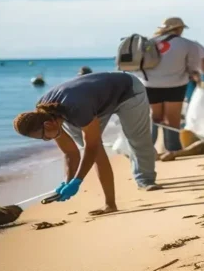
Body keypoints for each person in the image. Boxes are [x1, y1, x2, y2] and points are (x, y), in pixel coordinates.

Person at [12, 72, 159, 216]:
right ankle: (110, 204)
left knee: (137, 138)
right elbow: (70, 153)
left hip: (128, 90)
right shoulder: (45, 113)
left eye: (44, 137)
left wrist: (77, 180)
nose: (47, 140)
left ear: (49, 125)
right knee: (97, 154)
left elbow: (91, 148)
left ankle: (145, 179)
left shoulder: (77, 109)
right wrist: (67, 181)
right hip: (95, 103)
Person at [138, 17, 203, 155]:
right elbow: (193, 66)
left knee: (154, 118)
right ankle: (172, 149)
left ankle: (147, 150)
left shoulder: (148, 42)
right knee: (172, 119)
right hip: (176, 84)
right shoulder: (188, 44)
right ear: (179, 29)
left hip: (150, 84)